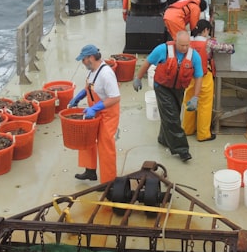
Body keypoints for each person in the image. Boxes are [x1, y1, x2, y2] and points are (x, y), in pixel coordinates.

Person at [132, 30, 203, 162]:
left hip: (178, 89)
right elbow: (147, 63)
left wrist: (195, 97)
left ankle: (163, 138)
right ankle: (182, 150)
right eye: (182, 45)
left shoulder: (194, 56)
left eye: (187, 45)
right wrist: (138, 78)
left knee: (173, 114)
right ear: (176, 42)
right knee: (172, 117)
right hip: (162, 87)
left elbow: (198, 77)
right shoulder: (162, 50)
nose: (185, 48)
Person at [68, 44, 120, 182]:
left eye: (83, 59)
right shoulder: (92, 71)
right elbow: (89, 88)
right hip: (95, 112)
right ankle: (90, 171)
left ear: (90, 58)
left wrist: (95, 108)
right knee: (87, 139)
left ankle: (109, 181)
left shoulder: (106, 74)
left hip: (107, 114)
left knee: (105, 147)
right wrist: (77, 97)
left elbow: (115, 97)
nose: (82, 63)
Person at [182, 19, 234, 142]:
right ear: (205, 30)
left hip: (189, 77)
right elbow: (224, 48)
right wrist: (232, 47)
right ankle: (203, 134)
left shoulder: (188, 42)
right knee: (204, 105)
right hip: (204, 77)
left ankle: (187, 129)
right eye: (208, 31)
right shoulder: (208, 43)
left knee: (189, 102)